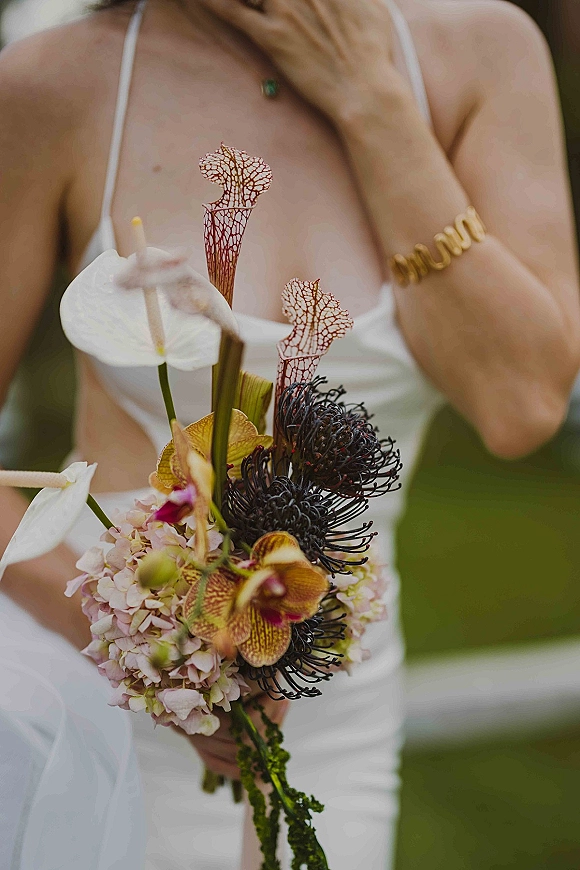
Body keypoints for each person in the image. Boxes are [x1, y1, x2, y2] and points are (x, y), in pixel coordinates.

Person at [0, 0, 578, 867]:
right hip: (108, 703)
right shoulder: (60, 81)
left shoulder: (481, 52)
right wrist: (157, 650)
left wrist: (370, 102)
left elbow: (523, 402)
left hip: (340, 712)